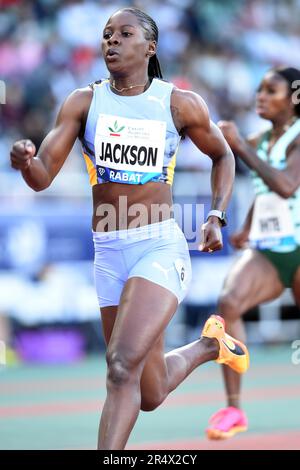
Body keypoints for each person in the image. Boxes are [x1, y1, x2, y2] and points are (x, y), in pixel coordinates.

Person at [10, 7, 249, 450]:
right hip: (108, 254)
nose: (111, 42)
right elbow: (42, 176)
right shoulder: (84, 102)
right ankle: (208, 347)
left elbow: (223, 155)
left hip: (157, 247)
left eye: (124, 34)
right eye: (106, 35)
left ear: (150, 47)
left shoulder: (178, 103)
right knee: (150, 393)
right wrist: (25, 162)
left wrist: (217, 214)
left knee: (120, 368)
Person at [206, 66, 300, 440]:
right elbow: (265, 190)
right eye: (259, 89)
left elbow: (288, 185)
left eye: (271, 90)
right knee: (229, 302)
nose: (260, 96)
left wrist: (240, 147)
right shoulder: (260, 138)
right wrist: (247, 226)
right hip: (271, 249)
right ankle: (233, 408)